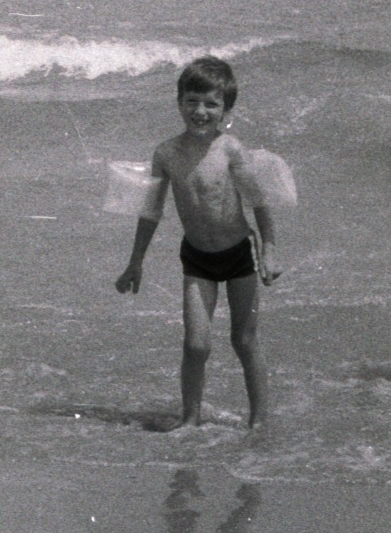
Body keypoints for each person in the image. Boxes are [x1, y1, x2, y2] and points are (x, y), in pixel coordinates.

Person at [116, 56, 280, 428]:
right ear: (178, 102)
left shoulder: (231, 150)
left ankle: (259, 422)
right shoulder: (167, 153)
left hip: (239, 254)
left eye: (211, 103)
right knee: (196, 345)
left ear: (226, 109)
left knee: (244, 340)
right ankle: (190, 420)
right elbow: (150, 212)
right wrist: (135, 262)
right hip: (197, 259)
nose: (200, 111)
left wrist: (270, 249)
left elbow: (259, 201)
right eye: (191, 101)